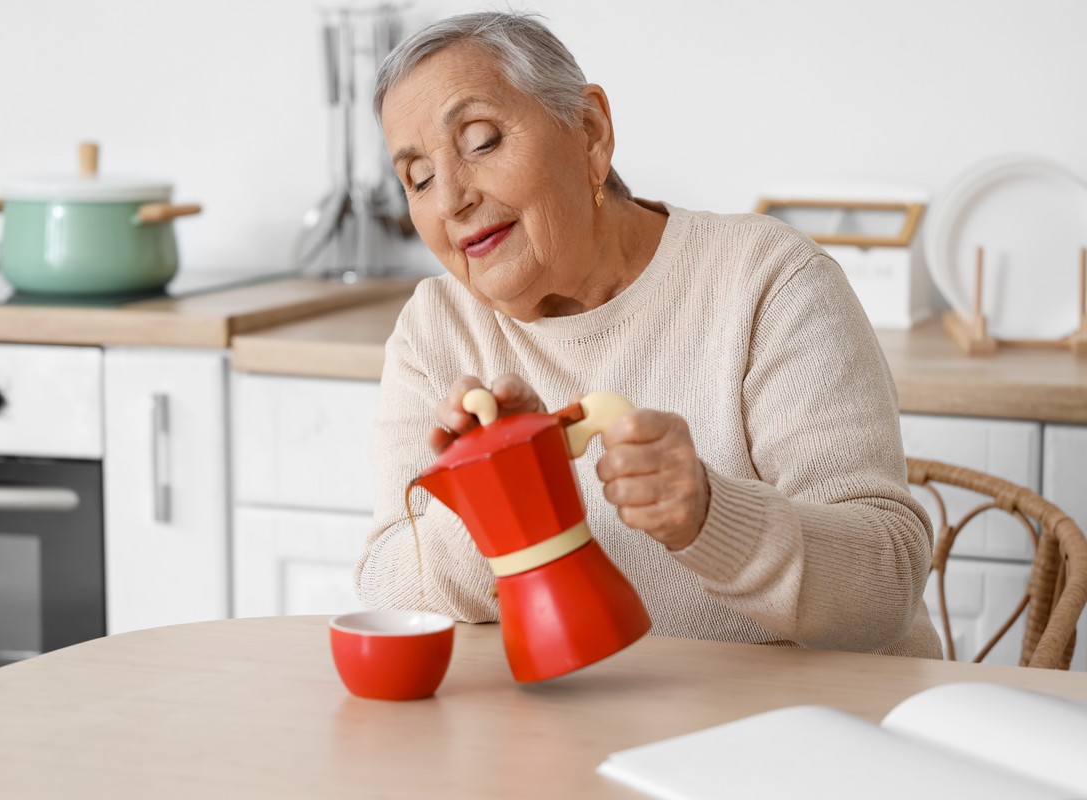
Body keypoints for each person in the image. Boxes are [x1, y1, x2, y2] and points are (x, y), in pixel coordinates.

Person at [353, 11, 942, 658]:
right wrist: (494, 498)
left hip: (808, 725)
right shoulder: (436, 327)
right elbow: (387, 592)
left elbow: (886, 584)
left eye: (482, 140)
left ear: (590, 131)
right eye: (419, 179)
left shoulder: (766, 279)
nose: (451, 202)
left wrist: (711, 517)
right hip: (580, 731)